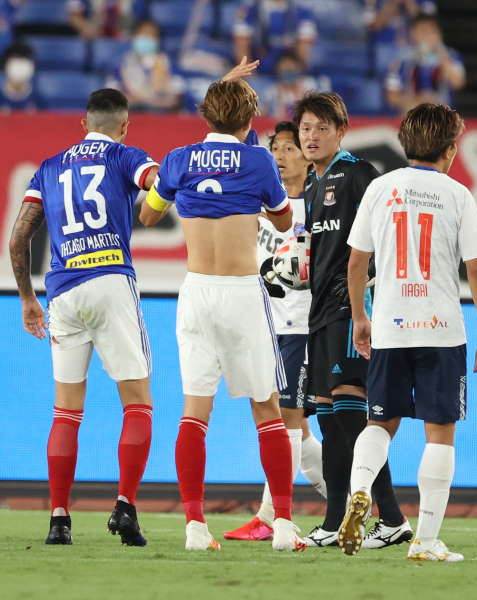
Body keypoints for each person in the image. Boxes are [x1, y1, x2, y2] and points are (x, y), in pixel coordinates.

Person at [138, 60, 302, 552]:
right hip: (241, 293)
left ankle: (194, 527)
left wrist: (223, 91)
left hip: (196, 293)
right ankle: (286, 527)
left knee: (194, 412)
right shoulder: (258, 162)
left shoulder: (177, 160)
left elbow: (148, 215)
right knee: (267, 410)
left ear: (206, 116)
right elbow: (283, 217)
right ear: (249, 123)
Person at [338, 103, 477, 562]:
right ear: (450, 150)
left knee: (379, 422)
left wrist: (360, 318)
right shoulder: (457, 194)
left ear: (404, 142)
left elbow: (355, 263)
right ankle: (425, 541)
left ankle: (361, 491)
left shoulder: (380, 189)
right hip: (441, 329)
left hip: (390, 324)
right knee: (440, 432)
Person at [9, 88, 158, 547]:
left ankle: (58, 519)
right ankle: (125, 507)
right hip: (111, 279)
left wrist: (27, 298)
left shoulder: (50, 167)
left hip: (62, 290)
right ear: (124, 124)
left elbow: (18, 240)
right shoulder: (125, 155)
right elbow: (157, 183)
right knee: (137, 403)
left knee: (66, 412)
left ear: (83, 123)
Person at [294, 92, 410, 549]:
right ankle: (338, 519)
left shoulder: (360, 174)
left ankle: (389, 516)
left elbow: (387, 236)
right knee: (328, 418)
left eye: (321, 127)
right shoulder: (308, 184)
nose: (311, 136)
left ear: (341, 131)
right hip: (319, 312)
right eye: (305, 128)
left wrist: (369, 297)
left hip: (350, 308)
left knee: (349, 415)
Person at [224, 121, 328, 542]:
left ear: (307, 155)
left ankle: (270, 516)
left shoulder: (319, 206)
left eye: (290, 147)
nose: (281, 155)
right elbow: (234, 141)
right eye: (276, 148)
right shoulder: (263, 199)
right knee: (295, 428)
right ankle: (357, 500)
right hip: (263, 323)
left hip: (300, 326)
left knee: (287, 419)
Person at [385, 15, 465, 114]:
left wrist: (440, 52)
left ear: (439, 34)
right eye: (423, 31)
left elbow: (458, 83)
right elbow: (392, 97)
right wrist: (419, 101)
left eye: (432, 31)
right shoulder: (400, 59)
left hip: (443, 114)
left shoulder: (452, 56)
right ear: (413, 33)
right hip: (412, 113)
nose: (427, 36)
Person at [111, 20, 183, 113]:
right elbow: (112, 93)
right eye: (143, 34)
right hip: (131, 113)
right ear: (135, 36)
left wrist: (155, 102)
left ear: (158, 40)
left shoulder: (166, 62)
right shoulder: (123, 62)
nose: (147, 38)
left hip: (160, 113)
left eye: (151, 35)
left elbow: (176, 97)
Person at [232, 0, 317, 75]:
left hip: (287, 70)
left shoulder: (301, 10)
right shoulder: (249, 9)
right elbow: (241, 47)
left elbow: (304, 50)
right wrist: (252, 79)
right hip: (258, 66)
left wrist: (299, 76)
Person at [260, 52, 330, 119]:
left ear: (299, 69)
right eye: (285, 70)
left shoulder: (310, 84)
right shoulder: (272, 91)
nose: (289, 73)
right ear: (278, 70)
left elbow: (324, 109)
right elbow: (261, 115)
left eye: (291, 69)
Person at [67, 0, 148, 40]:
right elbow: (74, 15)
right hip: (93, 37)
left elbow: (143, 23)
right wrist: (86, 27)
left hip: (126, 38)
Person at [0, 43, 41, 112]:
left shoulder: (38, 99)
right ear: (5, 65)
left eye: (24, 61)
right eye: (16, 61)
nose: (20, 67)